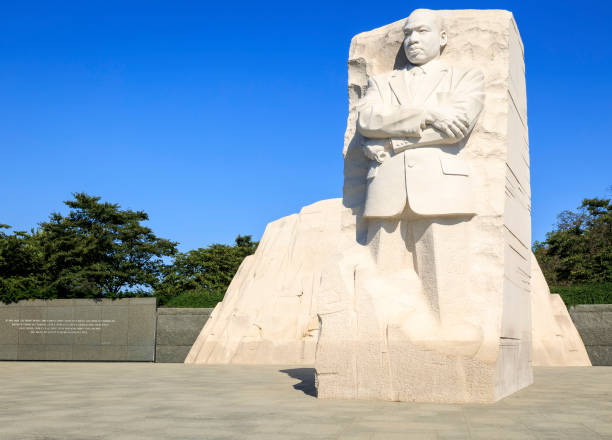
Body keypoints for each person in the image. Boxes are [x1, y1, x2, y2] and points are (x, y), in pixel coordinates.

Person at [356, 8, 485, 335]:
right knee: (378, 284)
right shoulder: (382, 82)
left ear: (442, 38)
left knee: (445, 285)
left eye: (422, 32)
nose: (413, 40)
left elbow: (455, 130)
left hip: (442, 190)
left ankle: (452, 347)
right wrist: (427, 113)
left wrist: (394, 143)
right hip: (385, 190)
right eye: (408, 34)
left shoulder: (465, 78)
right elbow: (368, 122)